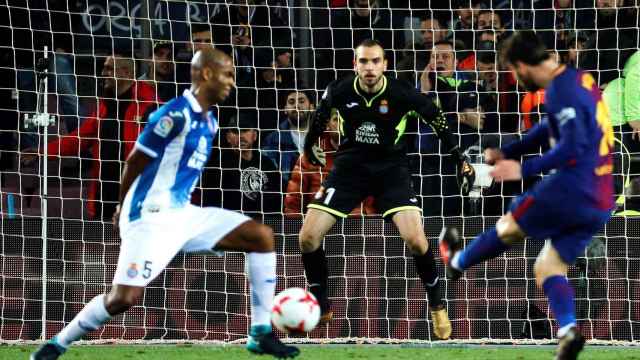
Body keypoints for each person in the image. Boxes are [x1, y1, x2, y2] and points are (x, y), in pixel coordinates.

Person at [31, 48, 299, 359]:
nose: (232, 82)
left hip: (183, 214)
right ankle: (56, 344)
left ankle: (261, 333)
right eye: (227, 74)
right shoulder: (172, 115)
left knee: (261, 237)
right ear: (207, 74)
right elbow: (134, 161)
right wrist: (121, 207)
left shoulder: (210, 121)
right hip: (150, 216)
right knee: (123, 298)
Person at [439, 31, 614, 360]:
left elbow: (571, 146)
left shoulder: (560, 91)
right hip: (602, 195)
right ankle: (567, 332)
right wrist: (508, 150)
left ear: (521, 65)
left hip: (572, 188)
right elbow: (548, 129)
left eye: (514, 73)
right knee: (548, 266)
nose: (516, 80)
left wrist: (524, 168)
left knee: (510, 225)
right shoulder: (580, 80)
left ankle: (456, 262)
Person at [299, 39, 476, 340]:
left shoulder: (401, 93)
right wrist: (308, 145)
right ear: (355, 64)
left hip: (391, 171)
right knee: (307, 237)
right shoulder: (340, 90)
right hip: (349, 169)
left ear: (385, 64)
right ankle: (321, 299)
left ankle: (437, 303)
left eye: (375, 61)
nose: (369, 68)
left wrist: (459, 158)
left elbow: (437, 120)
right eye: (363, 62)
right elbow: (318, 118)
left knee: (416, 241)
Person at [23, 53, 157, 220]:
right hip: (105, 191)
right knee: (106, 243)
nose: (103, 73)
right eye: (103, 68)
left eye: (109, 69)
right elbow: (80, 137)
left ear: (126, 73)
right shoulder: (104, 105)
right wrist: (42, 151)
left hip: (138, 191)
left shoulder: (149, 103)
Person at [199, 110, 282, 219]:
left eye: (245, 130)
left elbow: (277, 199)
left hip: (265, 224)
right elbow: (209, 204)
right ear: (228, 137)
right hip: (231, 226)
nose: (241, 136)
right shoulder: (217, 167)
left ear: (254, 135)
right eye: (236, 131)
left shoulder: (267, 164)